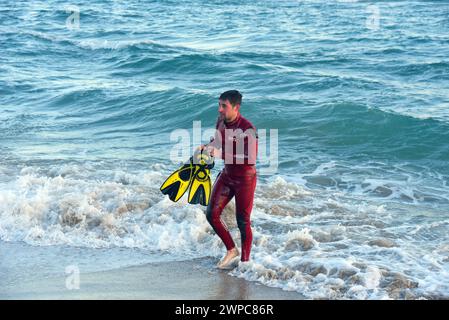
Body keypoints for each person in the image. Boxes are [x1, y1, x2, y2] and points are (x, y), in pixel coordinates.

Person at [200, 90, 258, 269]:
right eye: (219, 105)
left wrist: (220, 153)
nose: (219, 109)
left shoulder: (247, 129)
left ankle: (245, 263)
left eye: (223, 106)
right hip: (227, 175)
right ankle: (232, 250)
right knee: (212, 214)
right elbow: (217, 141)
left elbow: (250, 158)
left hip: (245, 180)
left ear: (236, 107)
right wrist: (207, 147)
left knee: (243, 221)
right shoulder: (221, 122)